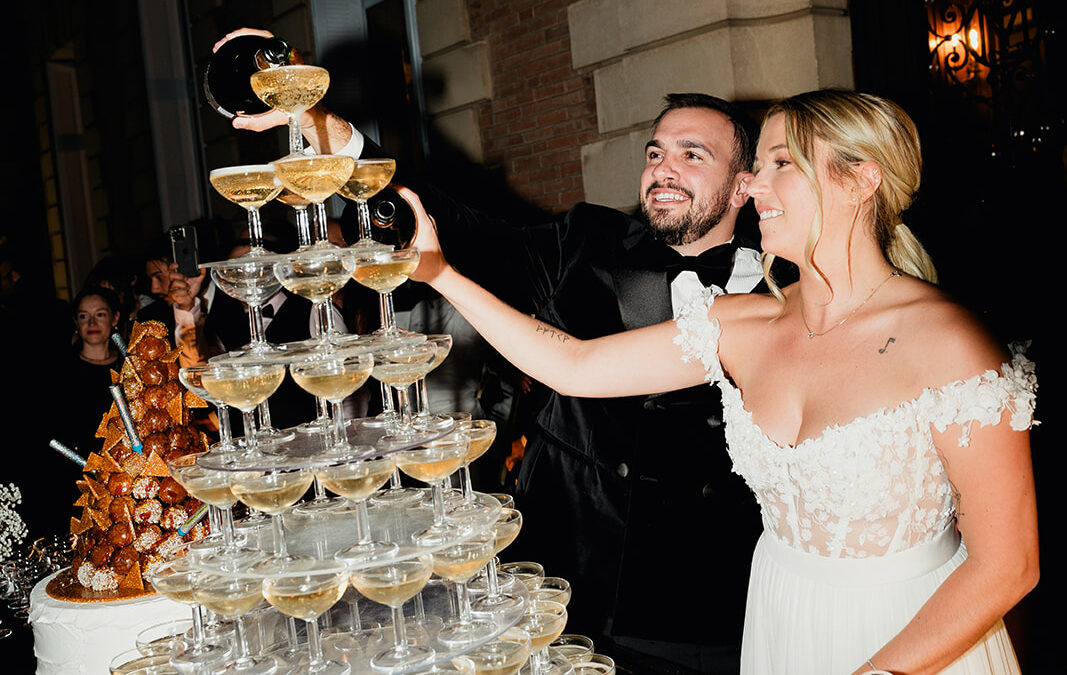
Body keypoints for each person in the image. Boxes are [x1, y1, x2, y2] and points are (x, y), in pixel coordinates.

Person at [397, 89, 1039, 674]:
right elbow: (574, 366)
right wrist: (441, 274)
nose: (755, 182)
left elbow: (1008, 565)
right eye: (757, 164)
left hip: (908, 637)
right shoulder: (741, 323)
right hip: (778, 620)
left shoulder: (950, 344)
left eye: (781, 163)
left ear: (859, 180)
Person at [214, 27, 767, 668]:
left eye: (692, 155)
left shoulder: (785, 294)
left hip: (702, 604)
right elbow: (441, 217)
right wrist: (318, 123)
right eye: (654, 152)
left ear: (745, 185)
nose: (662, 169)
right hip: (558, 582)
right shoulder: (584, 241)